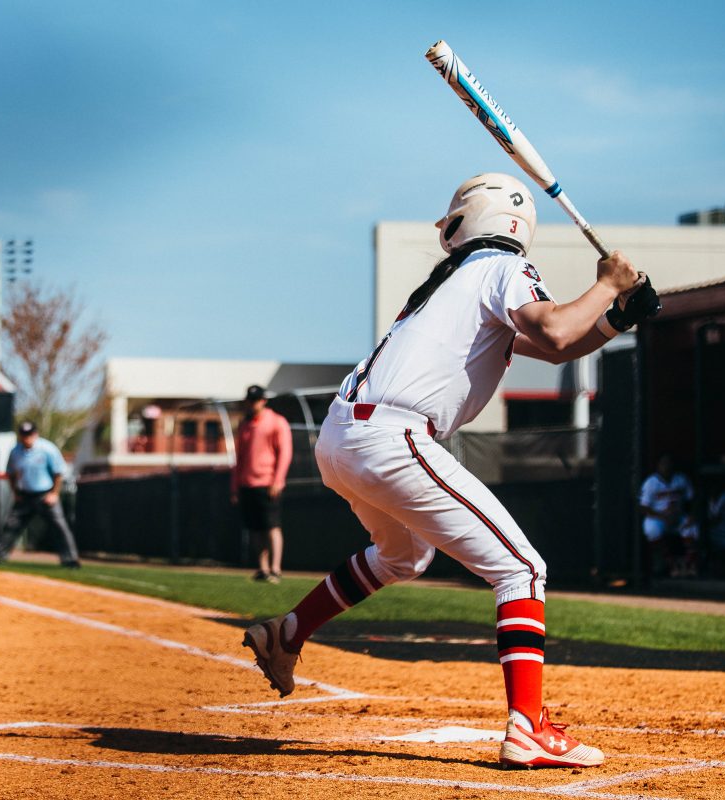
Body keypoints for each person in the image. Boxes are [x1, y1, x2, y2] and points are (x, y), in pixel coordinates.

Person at [240, 173, 658, 769]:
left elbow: (561, 345)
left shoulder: (466, 279)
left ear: (472, 218)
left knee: (403, 557)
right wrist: (608, 284)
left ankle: (289, 631)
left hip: (345, 435)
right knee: (523, 569)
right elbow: (558, 326)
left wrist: (618, 317)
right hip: (390, 435)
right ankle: (527, 727)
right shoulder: (498, 264)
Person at [0, 420, 81, 567]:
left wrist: (54, 494)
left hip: (45, 494)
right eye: (23, 435)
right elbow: (10, 473)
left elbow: (58, 473)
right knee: (11, 526)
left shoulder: (47, 448)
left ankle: (70, 559)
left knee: (59, 526)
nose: (26, 438)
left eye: (29, 434)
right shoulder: (16, 451)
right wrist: (15, 492)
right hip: (25, 495)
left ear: (35, 434)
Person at [231, 385, 293, 583]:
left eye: (256, 400)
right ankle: (263, 568)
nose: (253, 403)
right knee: (255, 528)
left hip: (267, 482)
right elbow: (239, 458)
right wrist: (235, 486)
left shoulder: (276, 422)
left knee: (272, 526)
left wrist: (278, 480)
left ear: (263, 400)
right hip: (247, 484)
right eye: (250, 400)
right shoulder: (245, 425)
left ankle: (276, 568)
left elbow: (285, 453)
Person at [638, 453, 696, 577]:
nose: (667, 466)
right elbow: (643, 507)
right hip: (658, 517)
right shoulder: (651, 482)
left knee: (693, 528)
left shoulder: (681, 479)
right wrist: (662, 517)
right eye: (664, 463)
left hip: (678, 516)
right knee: (652, 529)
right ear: (658, 466)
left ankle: (689, 565)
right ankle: (667, 563)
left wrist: (691, 514)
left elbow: (692, 499)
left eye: (669, 463)